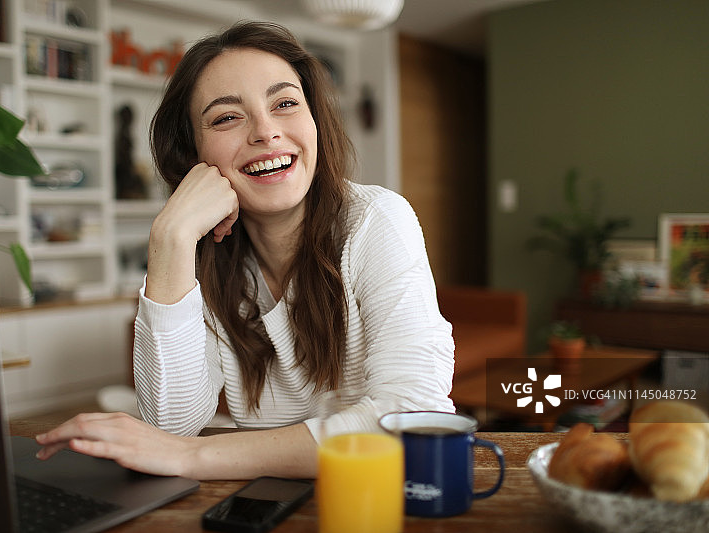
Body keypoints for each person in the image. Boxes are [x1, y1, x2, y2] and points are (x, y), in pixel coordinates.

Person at [35, 21, 454, 480]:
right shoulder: (204, 255)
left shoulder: (376, 220)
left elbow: (414, 416)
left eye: (286, 104)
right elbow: (172, 424)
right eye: (226, 117)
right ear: (194, 153)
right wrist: (169, 241)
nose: (266, 132)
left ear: (314, 120)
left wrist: (192, 458)